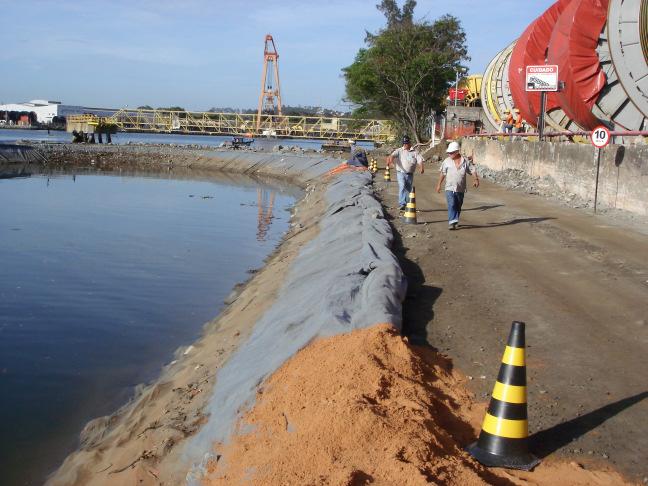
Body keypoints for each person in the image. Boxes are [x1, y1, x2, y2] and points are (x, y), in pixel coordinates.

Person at [436, 141, 480, 230]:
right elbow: (442, 173)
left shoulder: (465, 161)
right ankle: (452, 222)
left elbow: (472, 170)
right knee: (451, 204)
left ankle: (455, 220)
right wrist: (439, 185)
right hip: (449, 187)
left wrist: (476, 179)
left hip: (460, 188)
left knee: (458, 206)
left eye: (451, 152)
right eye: (448, 153)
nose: (449, 154)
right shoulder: (446, 161)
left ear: (457, 151)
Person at [386, 136, 424, 210]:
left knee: (408, 189)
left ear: (409, 143)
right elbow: (392, 156)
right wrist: (391, 161)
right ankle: (402, 203)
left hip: (410, 174)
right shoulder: (399, 151)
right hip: (401, 173)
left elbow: (420, 160)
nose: (405, 145)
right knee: (402, 186)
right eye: (404, 143)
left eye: (406, 143)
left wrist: (421, 167)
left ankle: (407, 203)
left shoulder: (415, 152)